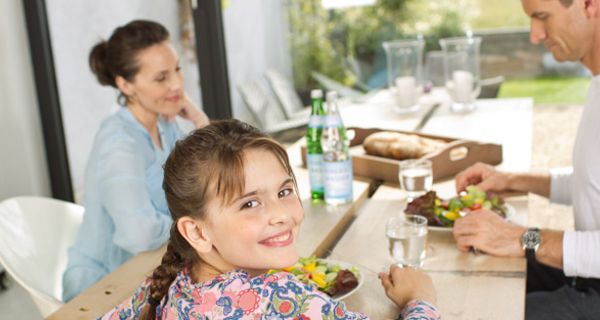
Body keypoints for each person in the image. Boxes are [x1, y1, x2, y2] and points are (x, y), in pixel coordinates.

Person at [100, 119, 440, 319]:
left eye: (284, 191)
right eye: (249, 204)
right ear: (197, 232)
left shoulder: (169, 284)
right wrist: (420, 299)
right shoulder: (279, 298)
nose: (280, 215)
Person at [452, 0, 600, 318]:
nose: (535, 35)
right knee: (470, 276)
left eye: (542, 17)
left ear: (590, 5)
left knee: (485, 312)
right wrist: (512, 181)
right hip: (587, 273)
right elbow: (591, 183)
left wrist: (521, 237)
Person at [62, 20, 210, 301]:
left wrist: (200, 121)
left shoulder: (164, 123)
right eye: (161, 78)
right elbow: (138, 235)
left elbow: (205, 178)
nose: (178, 84)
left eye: (177, 69)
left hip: (155, 269)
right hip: (104, 287)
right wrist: (194, 220)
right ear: (125, 84)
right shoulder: (119, 144)